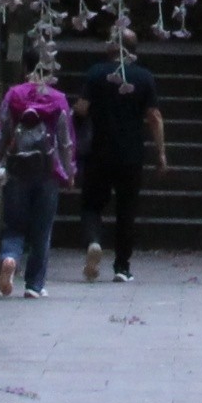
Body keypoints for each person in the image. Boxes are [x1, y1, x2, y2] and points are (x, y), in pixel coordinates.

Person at [74, 46, 168, 282]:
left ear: (109, 50)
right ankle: (122, 267)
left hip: (99, 150)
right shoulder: (144, 76)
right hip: (131, 153)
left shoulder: (96, 73)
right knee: (126, 209)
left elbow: (82, 108)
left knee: (92, 204)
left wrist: (73, 137)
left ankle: (94, 241)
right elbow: (154, 116)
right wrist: (161, 153)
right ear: (134, 51)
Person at [0, 72, 78, 298]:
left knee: (13, 224)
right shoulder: (58, 99)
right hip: (48, 170)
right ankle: (34, 285)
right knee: (42, 229)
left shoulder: (14, 95)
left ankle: (10, 257)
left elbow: (1, 132)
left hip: (16, 169)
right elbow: (66, 140)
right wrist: (70, 171)